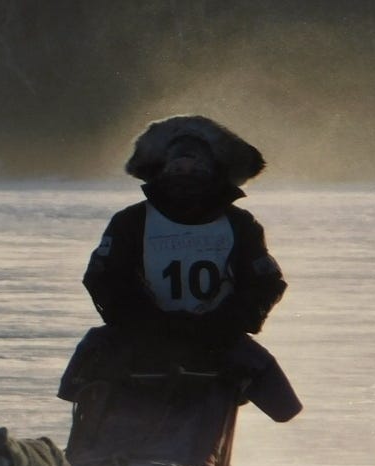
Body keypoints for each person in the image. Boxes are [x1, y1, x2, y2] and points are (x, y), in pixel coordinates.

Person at [61, 115, 300, 423]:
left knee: (284, 407)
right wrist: (146, 322)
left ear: (213, 173)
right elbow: (104, 278)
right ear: (162, 172)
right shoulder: (131, 221)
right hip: (142, 333)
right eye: (178, 168)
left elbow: (265, 284)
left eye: (195, 169)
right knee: (86, 366)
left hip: (217, 336)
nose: (185, 176)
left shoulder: (240, 224)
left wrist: (224, 324)